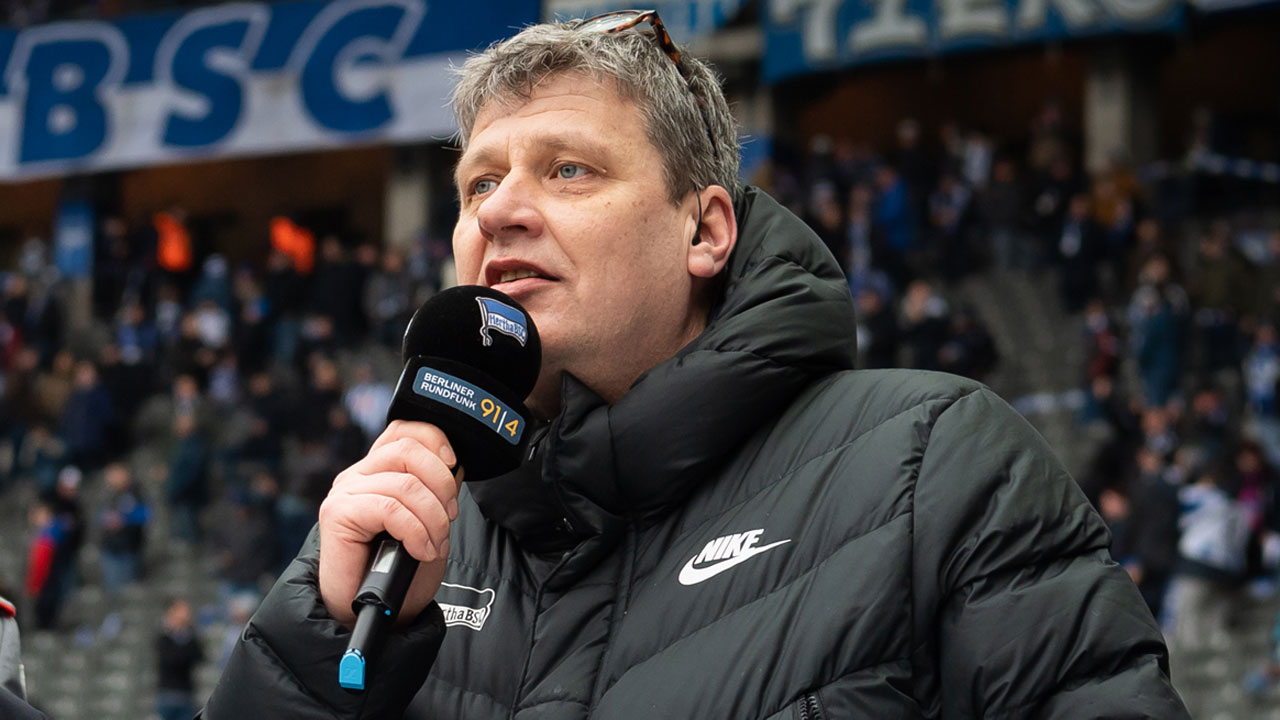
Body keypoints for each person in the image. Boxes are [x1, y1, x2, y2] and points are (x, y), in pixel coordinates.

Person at [205, 11, 1187, 718]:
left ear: (704, 231)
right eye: (478, 182)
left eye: (567, 169)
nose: (498, 208)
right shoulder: (402, 542)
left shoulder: (929, 466)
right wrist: (324, 648)